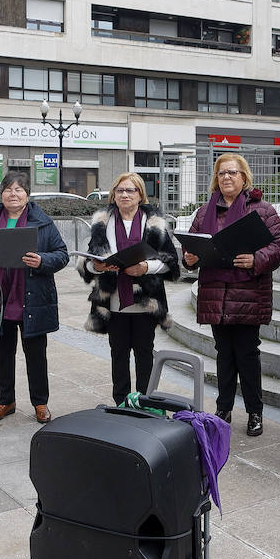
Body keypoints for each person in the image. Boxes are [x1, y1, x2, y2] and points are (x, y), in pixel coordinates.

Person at [183, 153, 280, 436]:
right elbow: (192, 244)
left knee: (247, 354)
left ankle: (255, 412)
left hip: (248, 292)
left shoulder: (262, 209)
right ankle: (223, 409)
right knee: (223, 354)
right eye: (221, 173)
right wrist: (190, 258)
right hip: (215, 291)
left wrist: (257, 259)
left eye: (232, 172)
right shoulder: (205, 212)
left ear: (244, 177)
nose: (226, 177)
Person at [80, 172, 180, 405]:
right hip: (113, 301)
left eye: (131, 190)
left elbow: (170, 262)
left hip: (146, 301)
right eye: (120, 190)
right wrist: (97, 267)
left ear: (140, 195)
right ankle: (121, 402)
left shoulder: (155, 224)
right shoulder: (102, 223)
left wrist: (146, 267)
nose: (125, 195)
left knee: (145, 354)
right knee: (118, 354)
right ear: (113, 194)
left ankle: (146, 401)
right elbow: (87, 262)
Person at [0, 171, 68, 423]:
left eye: (19, 190)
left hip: (32, 299)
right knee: (2, 355)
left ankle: (40, 403)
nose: (13, 194)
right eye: (8, 189)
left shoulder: (42, 222)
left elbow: (62, 254)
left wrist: (42, 260)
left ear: (27, 194)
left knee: (36, 356)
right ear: (1, 193)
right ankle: (5, 401)